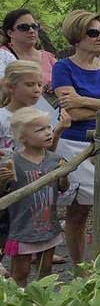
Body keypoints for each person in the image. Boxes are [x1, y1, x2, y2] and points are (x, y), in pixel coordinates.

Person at [53, 10, 100, 264]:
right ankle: (81, 267)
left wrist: (83, 100)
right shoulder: (63, 67)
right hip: (74, 144)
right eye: (93, 33)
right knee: (78, 211)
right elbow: (70, 111)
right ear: (77, 36)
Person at [0, 61, 71, 272]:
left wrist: (57, 131)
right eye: (30, 84)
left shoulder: (40, 116)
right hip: (7, 186)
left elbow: (45, 154)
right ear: (10, 87)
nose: (37, 90)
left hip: (32, 189)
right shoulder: (3, 117)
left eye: (39, 85)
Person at [3, 107, 70, 286]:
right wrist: (3, 181)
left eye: (48, 127)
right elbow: (4, 193)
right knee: (20, 272)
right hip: (22, 227)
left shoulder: (55, 159)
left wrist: (64, 175)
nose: (48, 132)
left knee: (46, 269)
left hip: (48, 224)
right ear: (23, 138)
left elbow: (63, 188)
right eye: (40, 129)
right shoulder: (14, 162)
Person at [0, 9, 58, 108]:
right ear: (10, 33)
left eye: (34, 27)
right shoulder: (3, 56)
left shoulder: (49, 58)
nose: (31, 31)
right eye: (24, 27)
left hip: (53, 114)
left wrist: (57, 85)